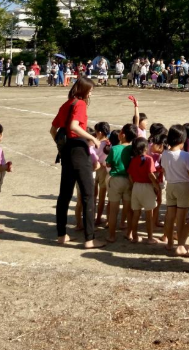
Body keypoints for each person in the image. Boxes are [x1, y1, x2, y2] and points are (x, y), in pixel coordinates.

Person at [50, 77, 105, 249]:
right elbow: (74, 126)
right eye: (90, 90)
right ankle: (89, 239)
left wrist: (62, 145)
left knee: (64, 195)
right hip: (79, 151)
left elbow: (53, 130)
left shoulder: (67, 103)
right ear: (84, 90)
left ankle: (61, 235)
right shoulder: (79, 104)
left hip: (66, 152)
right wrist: (92, 138)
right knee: (88, 195)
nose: (91, 93)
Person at [160, 125, 189, 255]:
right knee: (181, 218)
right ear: (182, 140)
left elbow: (163, 169)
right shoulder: (185, 155)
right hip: (183, 186)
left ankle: (169, 243)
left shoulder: (165, 154)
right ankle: (180, 244)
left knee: (170, 216)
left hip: (171, 185)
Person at [105, 123, 138, 243]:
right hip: (129, 180)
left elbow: (108, 163)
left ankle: (112, 236)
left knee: (113, 210)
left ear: (122, 135)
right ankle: (129, 233)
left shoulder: (115, 149)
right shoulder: (133, 149)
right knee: (129, 210)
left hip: (116, 180)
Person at [127, 137, 161, 244]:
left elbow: (130, 176)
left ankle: (135, 236)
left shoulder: (133, 160)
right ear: (146, 148)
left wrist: (133, 185)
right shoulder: (149, 159)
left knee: (136, 213)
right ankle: (150, 237)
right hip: (147, 187)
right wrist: (156, 185)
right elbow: (150, 174)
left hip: (136, 187)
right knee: (149, 214)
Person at [94, 121, 110, 226]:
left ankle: (92, 217)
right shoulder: (108, 144)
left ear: (99, 133)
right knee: (102, 197)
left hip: (94, 168)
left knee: (93, 195)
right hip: (103, 170)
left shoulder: (95, 143)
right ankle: (99, 218)